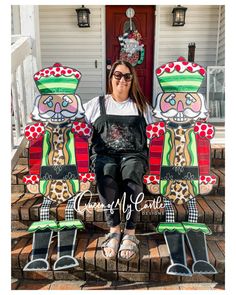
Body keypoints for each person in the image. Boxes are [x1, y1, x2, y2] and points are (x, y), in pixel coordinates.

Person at [84, 60, 154, 261]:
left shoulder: (142, 107)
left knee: (132, 171)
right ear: (111, 78)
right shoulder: (96, 104)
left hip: (133, 154)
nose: (122, 80)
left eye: (127, 76)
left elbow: (159, 131)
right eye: (118, 75)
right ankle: (114, 230)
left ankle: (130, 233)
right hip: (104, 154)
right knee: (105, 171)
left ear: (132, 81)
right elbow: (74, 123)